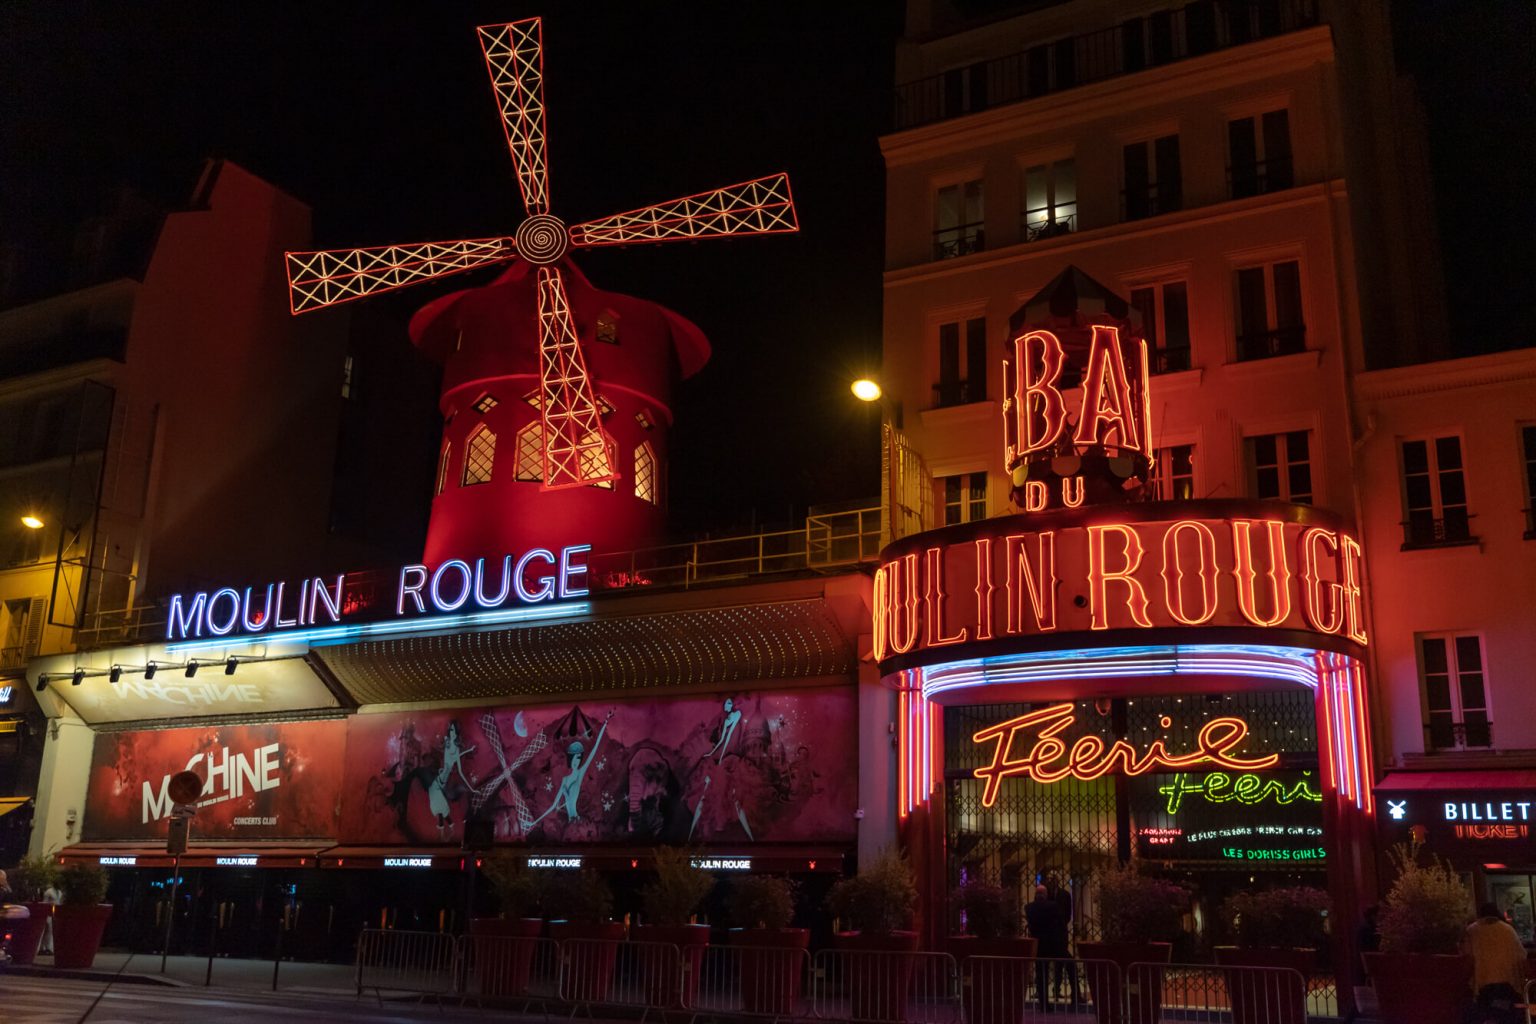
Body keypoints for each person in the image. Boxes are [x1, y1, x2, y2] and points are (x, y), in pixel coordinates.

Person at [1466, 902, 1525, 1022]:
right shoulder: (1508, 930)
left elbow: (1467, 958)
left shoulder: (1472, 930)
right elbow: (1521, 956)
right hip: (1508, 985)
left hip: (1482, 987)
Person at [1024, 884, 1078, 1010]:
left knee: (1041, 974)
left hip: (1040, 946)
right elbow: (1061, 922)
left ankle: (1044, 1004)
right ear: (1046, 895)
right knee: (1071, 965)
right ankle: (1075, 997)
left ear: (1036, 895)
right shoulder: (1053, 906)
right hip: (1055, 945)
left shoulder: (1029, 908)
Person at [38, 880, 61, 956]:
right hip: (47, 912)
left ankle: (48, 948)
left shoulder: (60, 892)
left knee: (50, 931)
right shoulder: (49, 892)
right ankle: (41, 948)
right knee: (45, 930)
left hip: (54, 913)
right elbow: (45, 902)